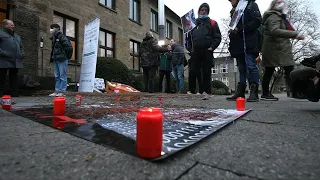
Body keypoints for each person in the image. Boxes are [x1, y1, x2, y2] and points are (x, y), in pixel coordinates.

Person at [260, 0, 305, 101]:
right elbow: (274, 31)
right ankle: (266, 93)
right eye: (278, 2)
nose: (281, 4)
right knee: (273, 70)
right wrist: (295, 34)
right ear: (273, 5)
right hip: (275, 49)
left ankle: (295, 92)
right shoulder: (273, 16)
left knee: (287, 69)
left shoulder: (279, 17)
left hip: (279, 49)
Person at [226, 0, 262, 102]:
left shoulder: (251, 5)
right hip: (238, 44)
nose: (230, 1)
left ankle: (254, 91)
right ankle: (240, 92)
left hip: (249, 42)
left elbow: (257, 20)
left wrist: (241, 29)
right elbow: (233, 25)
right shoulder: (235, 11)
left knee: (251, 66)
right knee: (241, 68)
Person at [185, 3, 222, 100]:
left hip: (207, 51)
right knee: (193, 71)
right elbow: (187, 39)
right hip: (195, 51)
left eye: (206, 10)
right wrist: (190, 49)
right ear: (199, 11)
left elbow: (217, 37)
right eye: (202, 10)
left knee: (206, 71)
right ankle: (192, 91)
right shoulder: (192, 24)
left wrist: (212, 47)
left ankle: (207, 91)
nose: (204, 11)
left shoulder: (213, 23)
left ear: (208, 11)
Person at [0, 19, 24, 97]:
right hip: (3, 60)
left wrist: (22, 54)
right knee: (1, 77)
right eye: (11, 24)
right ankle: (1, 94)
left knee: (14, 77)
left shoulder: (17, 36)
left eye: (13, 24)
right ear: (5, 25)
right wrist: (3, 53)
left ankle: (14, 93)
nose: (13, 26)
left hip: (16, 60)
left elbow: (21, 47)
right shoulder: (0, 33)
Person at [49, 24, 73, 97]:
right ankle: (57, 91)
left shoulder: (62, 37)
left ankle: (62, 91)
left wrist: (66, 57)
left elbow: (69, 48)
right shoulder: (54, 38)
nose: (50, 30)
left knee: (62, 75)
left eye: (52, 28)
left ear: (56, 29)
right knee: (57, 76)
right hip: (56, 59)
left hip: (62, 59)